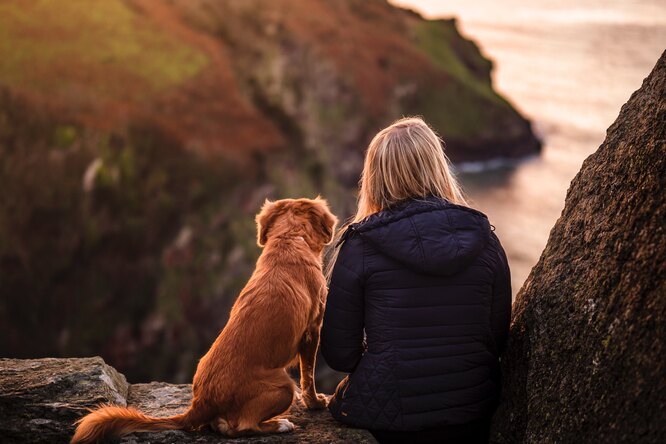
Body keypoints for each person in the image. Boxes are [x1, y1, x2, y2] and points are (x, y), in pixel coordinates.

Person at [320, 117, 511, 444]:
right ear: (438, 166)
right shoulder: (485, 239)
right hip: (471, 413)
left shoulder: (361, 244)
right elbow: (496, 339)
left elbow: (340, 355)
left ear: (375, 177)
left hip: (390, 423)